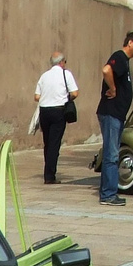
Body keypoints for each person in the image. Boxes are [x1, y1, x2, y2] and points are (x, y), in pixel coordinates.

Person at [98, 31, 133, 205]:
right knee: (111, 155)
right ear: (130, 43)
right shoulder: (119, 56)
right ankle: (108, 195)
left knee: (112, 153)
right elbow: (106, 70)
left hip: (116, 115)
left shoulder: (125, 62)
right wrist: (113, 89)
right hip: (111, 113)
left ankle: (108, 192)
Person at [33, 52, 79, 185]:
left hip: (44, 111)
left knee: (47, 143)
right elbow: (75, 93)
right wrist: (65, 98)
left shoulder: (44, 76)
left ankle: (48, 170)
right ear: (62, 62)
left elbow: (36, 96)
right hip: (58, 111)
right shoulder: (66, 74)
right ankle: (49, 175)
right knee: (54, 143)